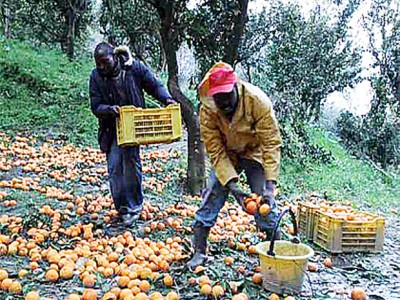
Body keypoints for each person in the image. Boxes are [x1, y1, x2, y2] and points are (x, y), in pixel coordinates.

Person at [187, 62, 282, 269]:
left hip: (253, 150)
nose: (224, 104)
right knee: (212, 193)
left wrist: (270, 185)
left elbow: (271, 143)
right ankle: (199, 251)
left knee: (264, 202)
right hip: (228, 153)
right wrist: (233, 187)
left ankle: (276, 250)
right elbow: (215, 150)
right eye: (218, 100)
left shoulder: (257, 101)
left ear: (236, 88)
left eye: (227, 97)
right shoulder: (208, 111)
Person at [89, 42, 176, 226]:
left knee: (130, 166)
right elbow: (95, 105)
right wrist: (109, 109)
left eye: (105, 62)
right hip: (111, 128)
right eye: (98, 63)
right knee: (115, 169)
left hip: (133, 126)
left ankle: (134, 207)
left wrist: (167, 99)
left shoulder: (133, 68)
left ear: (114, 57)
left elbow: (154, 85)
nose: (101, 67)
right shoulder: (96, 76)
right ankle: (122, 209)